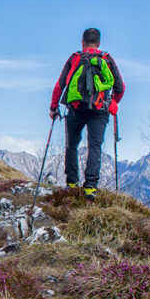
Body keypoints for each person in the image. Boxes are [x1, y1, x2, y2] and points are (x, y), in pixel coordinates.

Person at [50, 28, 125, 201]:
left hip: (76, 108)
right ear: (98, 43)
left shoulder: (75, 58)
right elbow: (120, 88)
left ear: (82, 42)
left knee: (72, 145)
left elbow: (60, 85)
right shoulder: (106, 59)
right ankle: (90, 188)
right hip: (100, 110)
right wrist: (111, 102)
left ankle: (72, 183)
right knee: (95, 146)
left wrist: (54, 107)